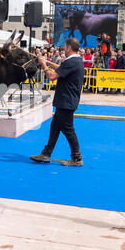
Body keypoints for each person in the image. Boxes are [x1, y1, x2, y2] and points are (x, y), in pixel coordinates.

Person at [30, 38, 85, 167]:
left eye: (65, 46)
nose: (63, 49)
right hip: (67, 100)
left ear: (69, 47)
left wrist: (43, 65)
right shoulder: (76, 61)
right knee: (55, 127)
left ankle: (77, 158)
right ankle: (46, 154)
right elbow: (61, 68)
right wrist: (47, 61)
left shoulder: (71, 62)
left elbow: (52, 76)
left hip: (66, 101)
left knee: (68, 130)